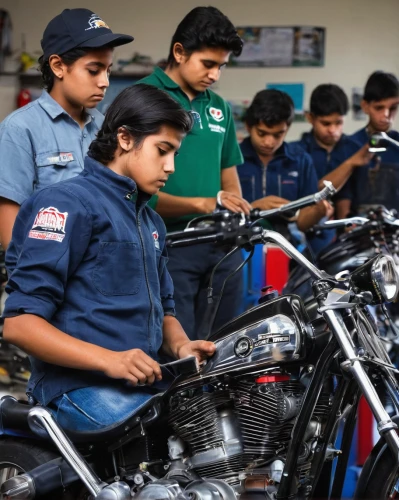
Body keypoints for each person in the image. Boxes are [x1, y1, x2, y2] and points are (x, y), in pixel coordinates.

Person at [2, 84, 216, 432]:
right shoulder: (66, 204)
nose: (171, 167)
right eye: (163, 150)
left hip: (140, 385)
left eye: (175, 154)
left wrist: (181, 345)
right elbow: (20, 324)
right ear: (125, 138)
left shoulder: (152, 222)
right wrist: (110, 361)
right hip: (75, 388)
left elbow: (165, 311)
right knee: (159, 435)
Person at [138, 7, 251, 340]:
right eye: (208, 64)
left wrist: (235, 214)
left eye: (221, 66)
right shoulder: (143, 98)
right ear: (179, 52)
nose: (215, 75)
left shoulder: (220, 107)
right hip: (168, 246)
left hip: (221, 246)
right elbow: (136, 192)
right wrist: (204, 204)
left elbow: (229, 178)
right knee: (178, 351)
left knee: (228, 344)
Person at [0, 8, 134, 250]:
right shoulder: (20, 129)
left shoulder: (107, 128)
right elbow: (10, 226)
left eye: (108, 70)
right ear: (58, 66)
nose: (104, 81)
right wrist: (35, 282)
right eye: (94, 70)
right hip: (47, 277)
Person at [237, 89, 332, 255]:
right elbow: (218, 214)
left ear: (287, 128)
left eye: (278, 134)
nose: (269, 142)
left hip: (289, 252)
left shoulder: (300, 160)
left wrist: (319, 211)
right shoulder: (232, 160)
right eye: (262, 133)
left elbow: (303, 221)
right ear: (248, 126)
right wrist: (254, 208)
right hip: (238, 250)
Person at [291, 84, 373, 251]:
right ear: (310, 118)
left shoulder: (356, 148)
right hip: (306, 241)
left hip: (351, 242)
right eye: (326, 123)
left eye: (338, 122)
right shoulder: (296, 153)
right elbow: (314, 192)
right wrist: (350, 164)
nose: (333, 130)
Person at [343, 71, 399, 216]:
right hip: (360, 230)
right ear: (365, 106)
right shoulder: (350, 145)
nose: (386, 115)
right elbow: (343, 198)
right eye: (379, 108)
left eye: (393, 108)